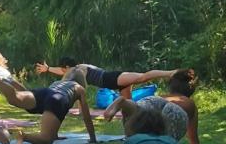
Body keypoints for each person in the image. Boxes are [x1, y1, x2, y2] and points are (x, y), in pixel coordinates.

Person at [0, 69, 96, 144]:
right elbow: (85, 116)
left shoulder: (57, 83)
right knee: (46, 141)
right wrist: (93, 139)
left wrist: (54, 134)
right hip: (57, 99)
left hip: (44, 93)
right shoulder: (79, 88)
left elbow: (52, 109)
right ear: (81, 80)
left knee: (14, 98)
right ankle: (23, 136)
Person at [35, 58, 187, 98]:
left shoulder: (78, 69)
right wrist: (48, 69)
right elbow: (63, 71)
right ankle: (129, 135)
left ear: (67, 67)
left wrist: (49, 69)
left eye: (64, 68)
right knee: (129, 109)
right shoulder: (78, 67)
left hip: (113, 79)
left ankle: (170, 73)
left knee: (143, 77)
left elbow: (64, 73)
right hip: (115, 83)